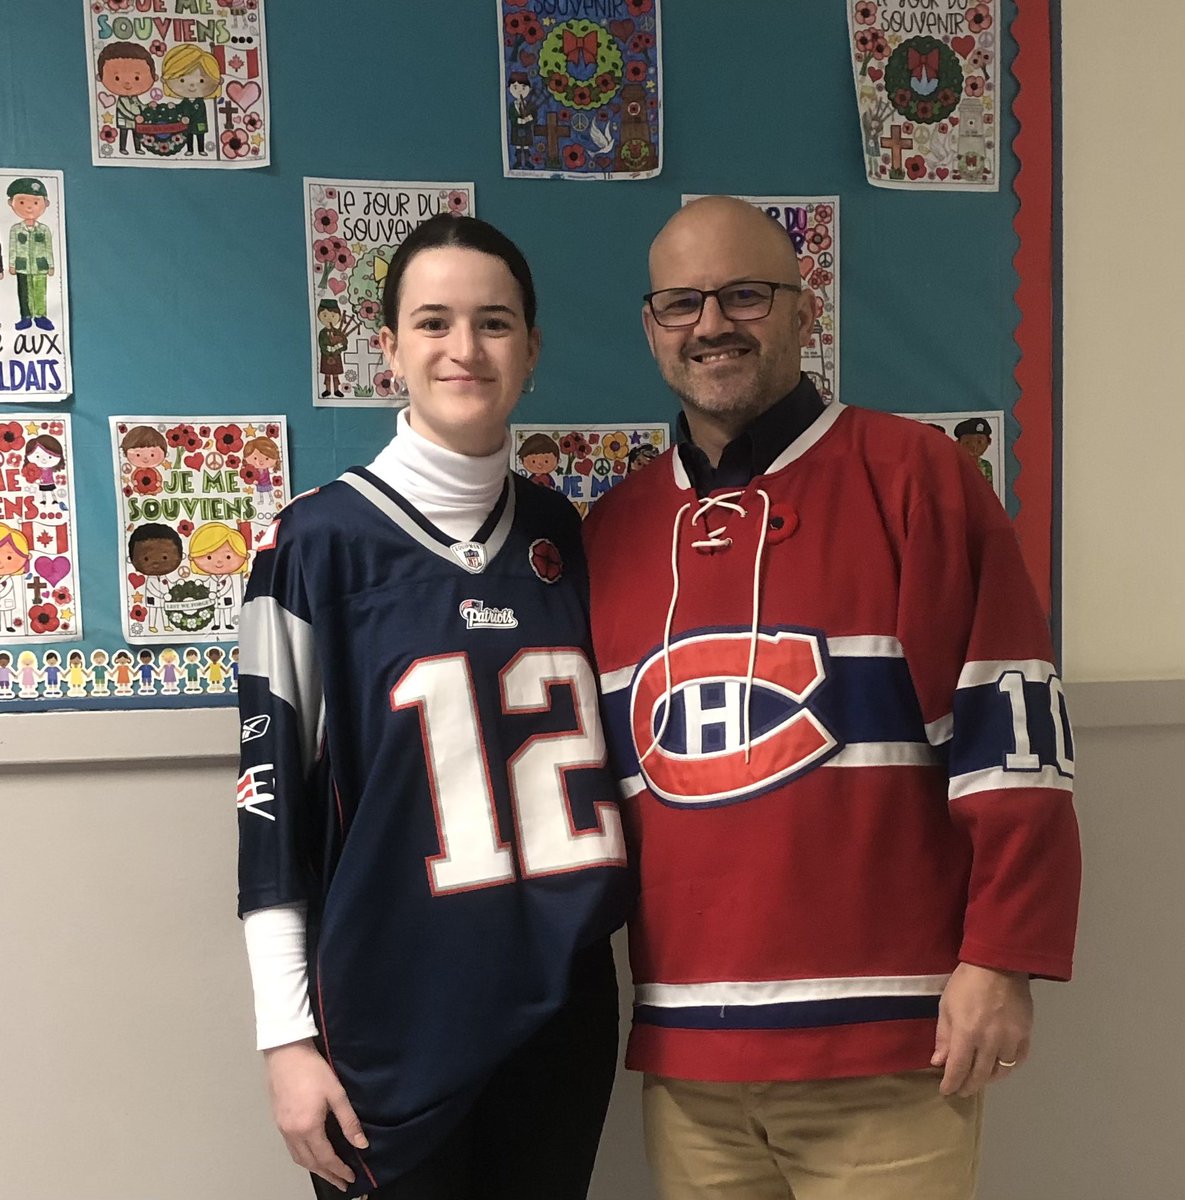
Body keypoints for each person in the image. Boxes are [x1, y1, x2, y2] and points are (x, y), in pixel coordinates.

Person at [581, 196, 1081, 1200]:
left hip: (890, 1050)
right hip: (689, 1061)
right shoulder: (612, 530)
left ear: (805, 310)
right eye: (682, 303)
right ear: (650, 325)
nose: (712, 324)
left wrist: (1002, 959)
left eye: (745, 295)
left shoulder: (916, 477)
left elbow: (1011, 732)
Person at [237, 212, 631, 1200]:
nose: (465, 347)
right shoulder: (312, 545)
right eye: (433, 322)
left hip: (559, 1012)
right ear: (388, 349)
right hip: (389, 1021)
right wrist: (285, 1039)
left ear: (531, 348)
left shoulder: (568, 537)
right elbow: (268, 815)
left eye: (494, 322)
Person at [5, 178, 55, 331]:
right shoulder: (15, 229)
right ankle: (26, 317)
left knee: (39, 290)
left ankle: (40, 316)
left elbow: (48, 248)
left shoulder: (44, 229)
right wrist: (12, 264)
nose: (28, 207)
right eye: (21, 202)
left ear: (45, 204)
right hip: (22, 265)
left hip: (40, 265)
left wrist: (51, 265)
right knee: (24, 292)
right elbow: (13, 247)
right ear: (11, 203)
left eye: (35, 202)